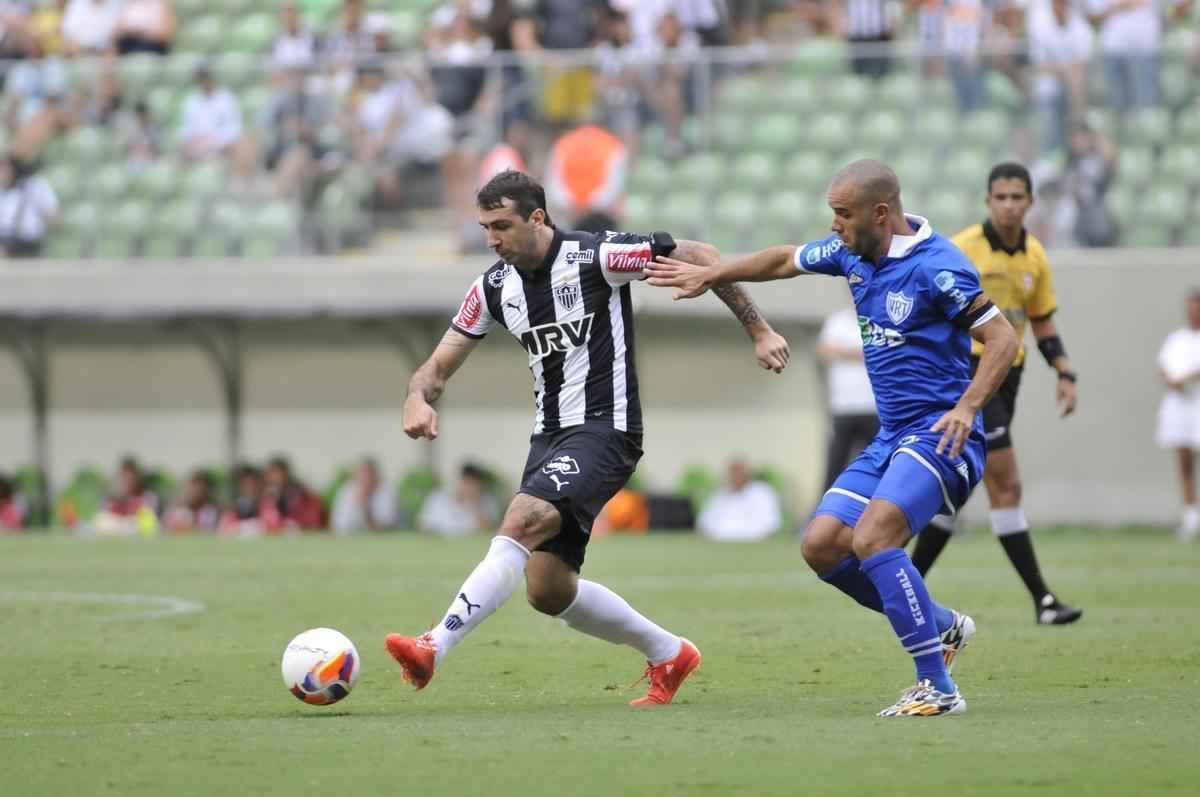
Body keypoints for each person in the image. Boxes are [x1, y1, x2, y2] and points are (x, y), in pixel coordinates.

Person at [385, 169, 790, 706]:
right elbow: (435, 367)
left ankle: (432, 647)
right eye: (484, 227)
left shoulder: (597, 256)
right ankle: (670, 653)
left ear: (537, 217)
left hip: (607, 427)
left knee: (520, 521)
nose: (491, 239)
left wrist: (759, 329)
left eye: (502, 225)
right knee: (548, 590)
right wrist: (417, 396)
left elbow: (699, 252)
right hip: (549, 438)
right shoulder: (492, 287)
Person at [647, 159, 1020, 717]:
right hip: (893, 436)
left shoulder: (938, 267)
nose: (835, 226)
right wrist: (713, 273)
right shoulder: (850, 252)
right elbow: (781, 259)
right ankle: (942, 625)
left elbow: (1002, 337)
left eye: (842, 215)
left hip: (942, 436)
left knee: (873, 539)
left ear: (880, 212)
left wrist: (969, 408)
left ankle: (937, 687)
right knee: (821, 545)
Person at [908, 162, 1084, 625]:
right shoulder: (963, 248)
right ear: (989, 201)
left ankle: (901, 587)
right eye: (1000, 197)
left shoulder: (1035, 257)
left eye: (1017, 197)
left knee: (954, 491)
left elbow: (1040, 320)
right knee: (1006, 484)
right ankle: (1043, 600)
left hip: (1011, 374)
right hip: (970, 371)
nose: (1008, 205)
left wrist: (1064, 370)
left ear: (1029, 202)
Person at [818, 306, 879, 490]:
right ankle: (826, 512)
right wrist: (861, 352)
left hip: (874, 407)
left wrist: (843, 351)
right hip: (843, 407)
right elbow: (825, 351)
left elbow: (881, 352)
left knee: (879, 466)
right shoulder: (837, 321)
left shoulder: (877, 318)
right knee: (835, 466)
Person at [1157, 289, 1200, 540]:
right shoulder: (1176, 339)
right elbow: (1163, 368)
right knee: (1184, 463)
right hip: (1179, 407)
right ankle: (1190, 516)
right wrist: (1171, 380)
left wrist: (1184, 378)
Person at [696, 458, 783, 542]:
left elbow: (771, 526)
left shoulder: (763, 492)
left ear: (748, 473)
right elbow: (704, 524)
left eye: (739, 471)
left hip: (753, 543)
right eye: (732, 472)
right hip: (719, 544)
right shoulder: (718, 494)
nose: (736, 475)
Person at [416, 462, 499, 537]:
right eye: (466, 482)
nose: (468, 487)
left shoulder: (486, 501)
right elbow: (422, 525)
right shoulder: (438, 498)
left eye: (472, 483)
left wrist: (474, 504)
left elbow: (488, 531)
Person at [330, 457, 400, 533]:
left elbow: (386, 527)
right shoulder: (347, 490)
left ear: (376, 476)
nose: (365, 478)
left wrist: (365, 509)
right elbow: (338, 525)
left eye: (368, 474)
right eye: (362, 473)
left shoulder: (387, 491)